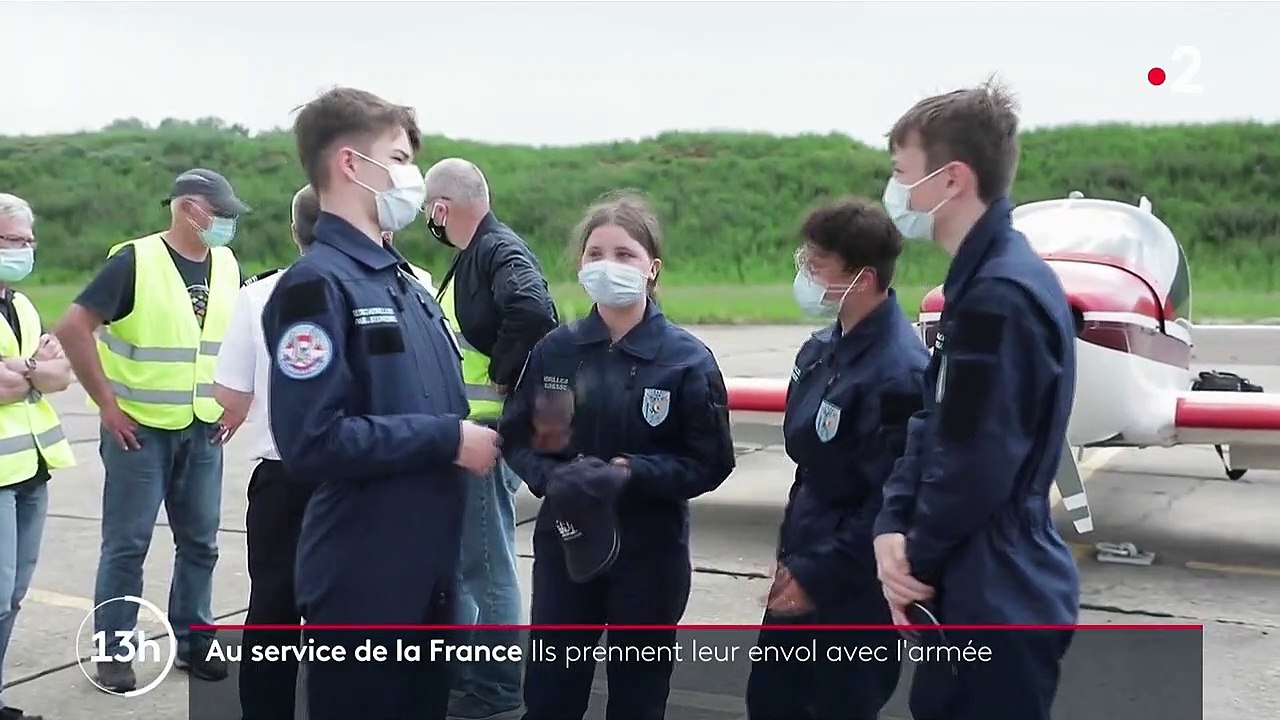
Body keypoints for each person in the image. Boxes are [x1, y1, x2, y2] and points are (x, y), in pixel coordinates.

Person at [260, 86, 500, 720]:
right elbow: (312, 440)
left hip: (426, 577)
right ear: (349, 164)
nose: (410, 177)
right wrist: (447, 440)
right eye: (397, 158)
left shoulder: (402, 282)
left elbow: (424, 400)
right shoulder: (316, 286)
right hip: (366, 584)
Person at [871, 79, 1080, 720]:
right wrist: (891, 524)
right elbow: (934, 421)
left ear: (952, 179)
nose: (896, 190)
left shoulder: (1000, 296)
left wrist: (915, 560)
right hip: (976, 583)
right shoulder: (979, 284)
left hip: (996, 594)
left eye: (902, 172)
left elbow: (975, 459)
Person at [499, 192, 736, 720]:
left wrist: (633, 473)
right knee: (551, 692)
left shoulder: (686, 360)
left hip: (649, 551)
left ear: (652, 269)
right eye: (595, 254)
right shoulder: (557, 351)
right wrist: (554, 478)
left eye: (624, 254)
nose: (608, 265)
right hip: (567, 545)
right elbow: (525, 439)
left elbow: (710, 460)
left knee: (638, 693)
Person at [54, 168, 248, 692]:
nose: (228, 223)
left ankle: (195, 638)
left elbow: (235, 336)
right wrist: (107, 404)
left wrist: (237, 397)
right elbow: (73, 327)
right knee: (127, 545)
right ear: (189, 209)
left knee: (202, 543)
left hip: (203, 427)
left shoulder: (227, 263)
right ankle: (114, 650)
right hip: (138, 432)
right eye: (221, 212)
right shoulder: (134, 261)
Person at [745, 197, 927, 720]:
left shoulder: (900, 375)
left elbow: (889, 502)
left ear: (863, 278)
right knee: (772, 704)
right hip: (802, 562)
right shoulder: (820, 350)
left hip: (852, 590)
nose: (804, 273)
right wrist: (792, 564)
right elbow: (810, 468)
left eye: (817, 264)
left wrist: (816, 576)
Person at [423, 157, 559, 720]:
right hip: (467, 437)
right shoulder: (476, 254)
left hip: (485, 437)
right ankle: (471, 676)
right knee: (467, 566)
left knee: (488, 566)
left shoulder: (497, 251)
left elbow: (532, 310)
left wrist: (505, 373)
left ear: (441, 208)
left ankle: (499, 688)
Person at [212, 184, 321, 720]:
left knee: (273, 612)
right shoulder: (404, 284)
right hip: (365, 479)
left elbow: (230, 394)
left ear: (294, 231)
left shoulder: (259, 296)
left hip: (283, 474)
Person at [0, 194, 76, 720]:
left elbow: (60, 375)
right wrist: (35, 371)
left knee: (15, 593)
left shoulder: (21, 304)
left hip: (32, 466)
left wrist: (24, 368)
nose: (26, 251)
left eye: (29, 242)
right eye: (14, 241)